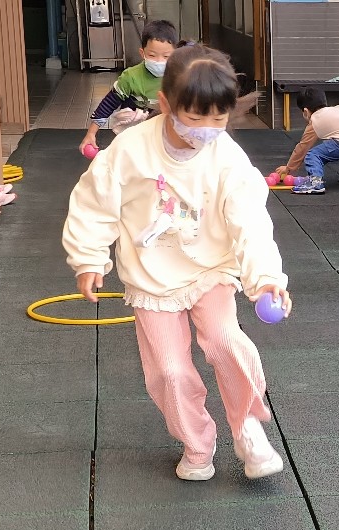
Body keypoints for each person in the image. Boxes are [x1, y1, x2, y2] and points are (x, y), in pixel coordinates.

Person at [63, 44, 291, 483]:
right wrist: (88, 257)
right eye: (195, 117)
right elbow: (94, 204)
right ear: (165, 104)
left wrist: (265, 277)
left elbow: (250, 220)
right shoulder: (131, 150)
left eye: (219, 119)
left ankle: (246, 426)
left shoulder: (227, 157)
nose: (207, 130)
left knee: (226, 340)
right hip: (151, 275)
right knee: (168, 369)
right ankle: (196, 443)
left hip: (210, 266)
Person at [79, 19, 178, 156]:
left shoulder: (179, 78)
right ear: (142, 53)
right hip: (133, 134)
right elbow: (109, 103)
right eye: (152, 55)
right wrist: (91, 133)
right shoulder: (131, 77)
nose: (159, 61)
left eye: (166, 56)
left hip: (164, 134)